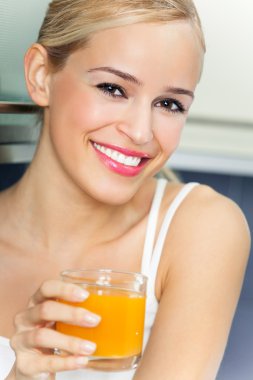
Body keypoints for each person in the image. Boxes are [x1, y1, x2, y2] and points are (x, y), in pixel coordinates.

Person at [0, 0, 250, 379]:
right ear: (40, 76)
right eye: (113, 88)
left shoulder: (202, 228)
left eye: (169, 103)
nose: (141, 132)